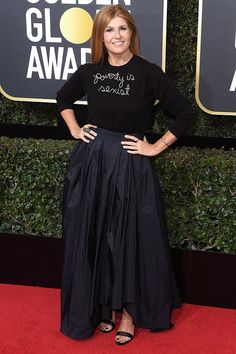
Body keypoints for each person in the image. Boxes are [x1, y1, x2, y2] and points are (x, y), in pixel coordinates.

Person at [56, 4, 196, 345]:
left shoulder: (148, 73)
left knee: (128, 240)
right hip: (94, 163)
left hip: (131, 165)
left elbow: (185, 113)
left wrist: (156, 146)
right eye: (109, 30)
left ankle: (130, 315)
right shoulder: (90, 72)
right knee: (98, 237)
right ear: (100, 36)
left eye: (122, 29)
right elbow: (63, 97)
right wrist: (75, 129)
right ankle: (106, 308)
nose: (116, 36)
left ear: (131, 33)